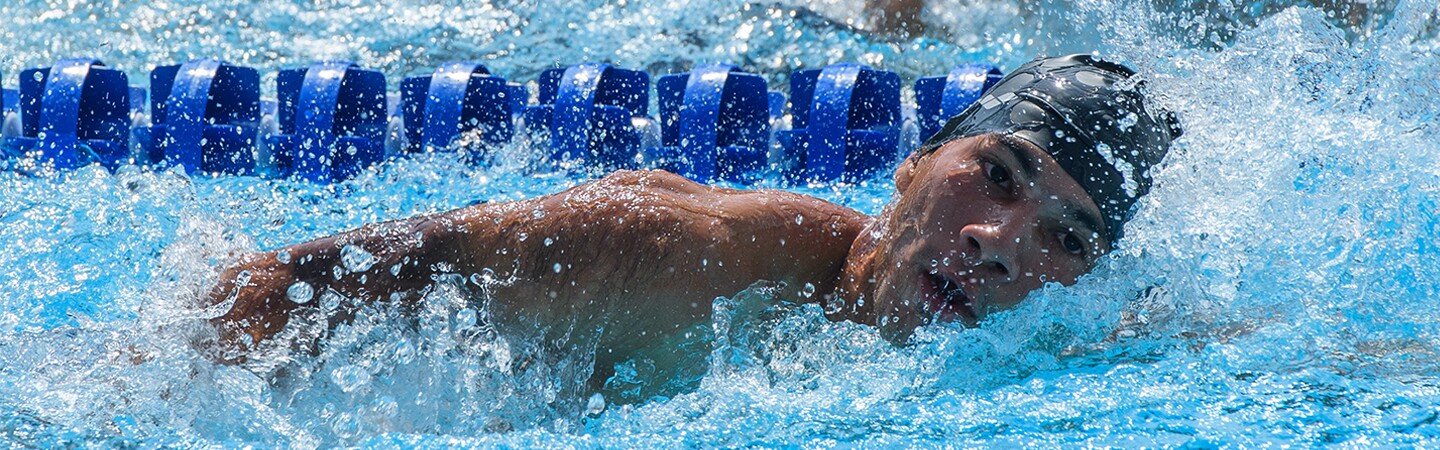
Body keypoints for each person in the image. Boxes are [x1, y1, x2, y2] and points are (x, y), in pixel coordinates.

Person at [202, 54, 1180, 397]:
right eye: (995, 176)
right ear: (915, 163)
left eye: (1070, 237)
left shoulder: (1063, 349)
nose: (1004, 243)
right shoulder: (674, 256)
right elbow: (300, 282)